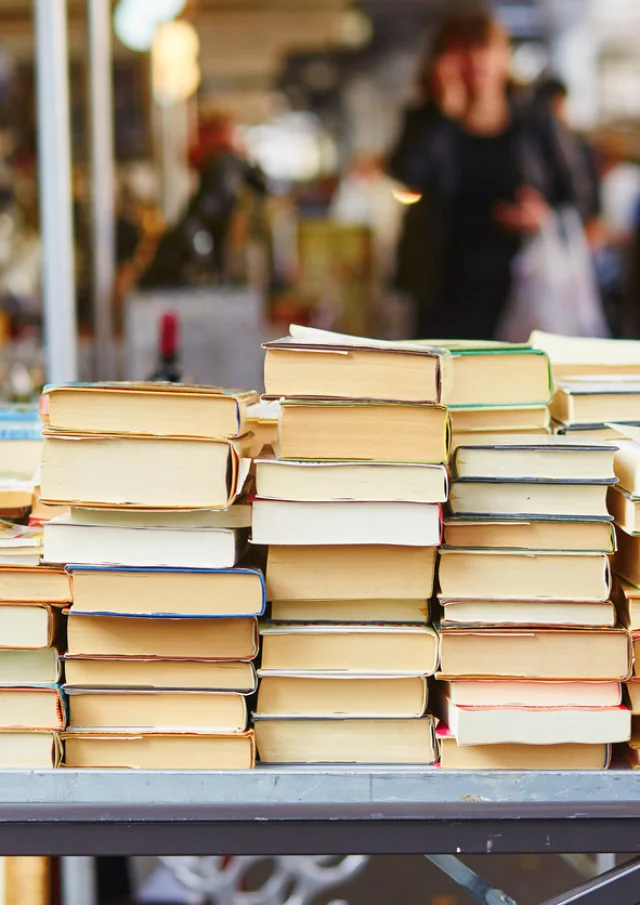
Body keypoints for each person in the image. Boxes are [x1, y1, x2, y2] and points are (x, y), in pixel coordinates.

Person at [388, 8, 589, 340]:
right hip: (442, 282)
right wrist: (444, 114)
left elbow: (578, 194)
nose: (477, 61)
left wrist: (542, 215)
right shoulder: (426, 120)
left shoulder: (533, 121)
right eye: (464, 50)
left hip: (522, 279)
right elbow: (407, 176)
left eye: (486, 49)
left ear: (503, 56)